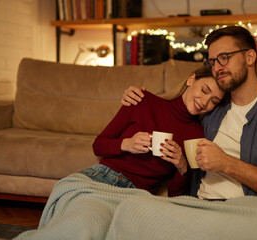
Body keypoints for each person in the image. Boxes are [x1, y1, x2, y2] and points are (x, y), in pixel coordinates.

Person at [121, 26, 257, 209]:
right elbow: (171, 113)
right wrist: (140, 97)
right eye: (212, 61)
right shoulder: (211, 109)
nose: (217, 68)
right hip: (200, 207)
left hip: (247, 211)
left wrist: (226, 163)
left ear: (249, 57)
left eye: (224, 57)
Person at [81, 65, 225, 197]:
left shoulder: (197, 136)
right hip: (104, 175)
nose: (205, 102)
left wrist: (182, 168)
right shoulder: (142, 100)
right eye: (204, 90)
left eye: (214, 101)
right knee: (67, 191)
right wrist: (127, 144)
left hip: (138, 194)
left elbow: (176, 197)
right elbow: (98, 146)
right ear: (191, 79)